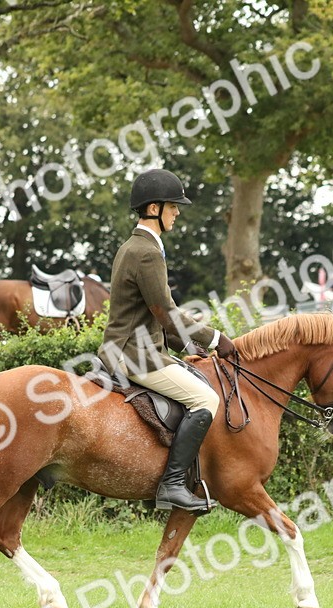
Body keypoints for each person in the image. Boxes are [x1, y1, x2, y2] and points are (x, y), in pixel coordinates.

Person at [98, 168, 237, 513]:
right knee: (205, 398)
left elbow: (148, 314)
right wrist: (216, 338)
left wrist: (187, 345)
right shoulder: (146, 252)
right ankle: (172, 485)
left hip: (133, 346)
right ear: (154, 208)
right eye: (173, 206)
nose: (177, 213)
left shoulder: (134, 246)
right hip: (134, 354)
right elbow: (166, 312)